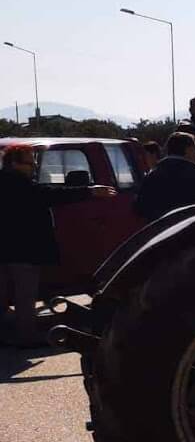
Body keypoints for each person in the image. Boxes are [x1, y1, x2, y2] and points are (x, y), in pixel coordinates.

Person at [0, 145, 115, 346]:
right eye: (29, 162)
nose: (34, 166)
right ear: (14, 164)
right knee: (25, 294)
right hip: (22, 249)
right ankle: (26, 336)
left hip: (8, 248)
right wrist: (89, 191)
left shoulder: (9, 181)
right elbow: (50, 195)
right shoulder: (18, 184)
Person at [134, 132, 195, 221]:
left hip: (160, 234)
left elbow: (139, 207)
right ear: (188, 150)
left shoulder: (154, 173)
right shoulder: (194, 173)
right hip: (188, 232)